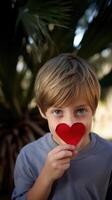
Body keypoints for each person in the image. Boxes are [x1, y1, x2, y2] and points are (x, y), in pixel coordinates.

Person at [12, 53, 112, 200]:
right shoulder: (28, 157)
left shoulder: (108, 154)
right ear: (42, 111)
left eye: (80, 110)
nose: (70, 123)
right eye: (58, 111)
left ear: (94, 108)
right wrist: (45, 178)